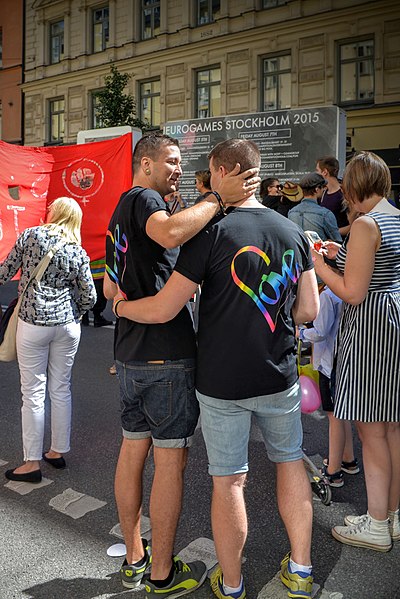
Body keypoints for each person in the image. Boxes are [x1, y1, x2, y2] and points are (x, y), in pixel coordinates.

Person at [111, 138, 320, 599]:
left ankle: (231, 583)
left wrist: (121, 310)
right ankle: (302, 572)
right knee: (289, 464)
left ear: (223, 173)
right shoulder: (292, 232)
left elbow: (167, 305)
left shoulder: (210, 234)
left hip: (219, 378)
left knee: (230, 479)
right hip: (279, 373)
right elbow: (307, 309)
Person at [103, 132, 260, 597]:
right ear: (145, 164)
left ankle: (136, 558)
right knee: (170, 462)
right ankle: (162, 575)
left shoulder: (119, 210)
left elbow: (112, 291)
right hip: (165, 352)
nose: (177, 168)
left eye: (179, 161)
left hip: (130, 353)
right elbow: (170, 232)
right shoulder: (145, 198)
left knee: (133, 450)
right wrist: (217, 197)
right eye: (170, 161)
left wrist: (125, 306)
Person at [312, 151, 400, 551]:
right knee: (392, 428)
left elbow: (352, 290)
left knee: (371, 430)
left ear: (354, 186)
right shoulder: (393, 216)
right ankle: (390, 515)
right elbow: (373, 268)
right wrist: (338, 254)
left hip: (369, 328)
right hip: (391, 320)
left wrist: (318, 266)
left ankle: (377, 524)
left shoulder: (365, 224)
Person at [0, 197, 96, 483]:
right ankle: (56, 451)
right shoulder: (78, 251)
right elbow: (90, 296)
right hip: (67, 326)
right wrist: (73, 314)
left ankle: (31, 463)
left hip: (33, 324)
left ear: (55, 213)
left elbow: (5, 272)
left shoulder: (31, 236)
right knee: (61, 388)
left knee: (32, 393)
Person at [299, 286, 359, 487]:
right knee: (342, 415)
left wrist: (300, 333)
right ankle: (348, 460)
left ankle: (333, 472)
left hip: (329, 364)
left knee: (334, 417)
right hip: (342, 361)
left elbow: (320, 332)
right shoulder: (346, 290)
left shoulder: (327, 295)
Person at [288, 173, 342, 244]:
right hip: (319, 253)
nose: (324, 189)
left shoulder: (291, 212)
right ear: (317, 189)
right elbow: (337, 241)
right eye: (322, 187)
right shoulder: (325, 214)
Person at [316, 156, 349, 237]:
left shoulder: (344, 193)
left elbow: (353, 224)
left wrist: (334, 232)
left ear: (325, 172)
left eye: (317, 170)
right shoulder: (323, 193)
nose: (316, 173)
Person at [82, 258, 113, 327]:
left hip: (86, 272)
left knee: (86, 293)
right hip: (100, 272)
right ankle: (97, 317)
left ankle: (85, 315)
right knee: (100, 295)